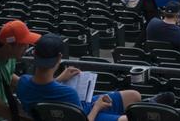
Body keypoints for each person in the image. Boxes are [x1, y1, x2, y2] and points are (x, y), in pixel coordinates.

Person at [17, 33, 147, 121]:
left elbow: (42, 89)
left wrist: (60, 79)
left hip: (71, 110)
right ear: (59, 57)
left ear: (34, 55)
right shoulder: (67, 93)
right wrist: (98, 106)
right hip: (85, 114)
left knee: (134, 95)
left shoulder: (23, 82)